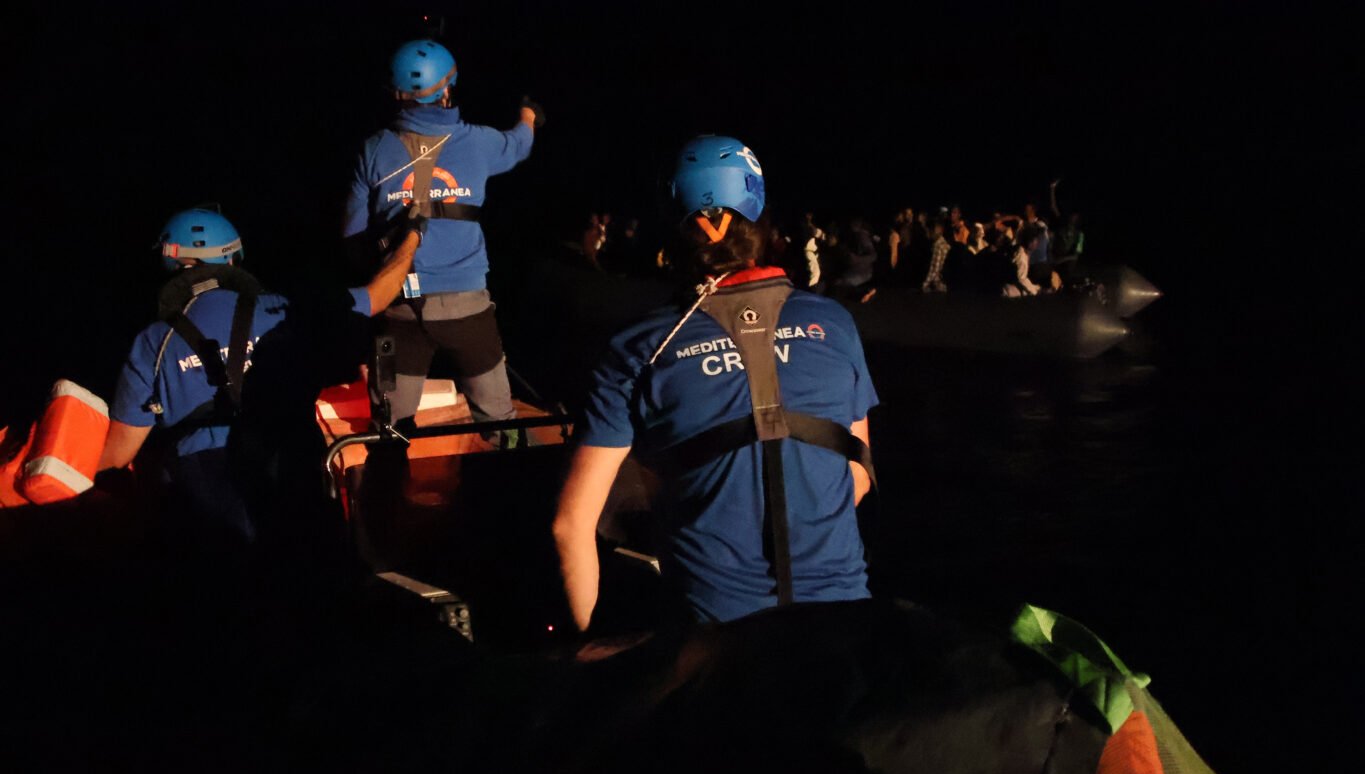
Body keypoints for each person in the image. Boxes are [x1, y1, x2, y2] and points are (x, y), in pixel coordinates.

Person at [553, 136, 877, 630]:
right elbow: (855, 477)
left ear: (672, 230)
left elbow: (570, 526)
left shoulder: (639, 346)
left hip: (718, 648)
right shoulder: (833, 323)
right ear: (761, 214)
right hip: (845, 630)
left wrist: (590, 654)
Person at [100, 207, 420, 541]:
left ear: (173, 263)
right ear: (232, 260)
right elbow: (378, 295)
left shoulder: (153, 342)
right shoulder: (284, 309)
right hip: (290, 462)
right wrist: (413, 234)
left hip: (207, 488)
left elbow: (117, 456)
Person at [343, 38, 540, 435]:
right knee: (501, 423)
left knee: (390, 429)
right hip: (468, 311)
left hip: (398, 311)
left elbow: (352, 237)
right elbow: (520, 145)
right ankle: (518, 485)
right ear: (448, 88)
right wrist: (530, 115)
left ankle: (387, 492)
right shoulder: (481, 142)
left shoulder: (373, 150)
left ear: (396, 93)